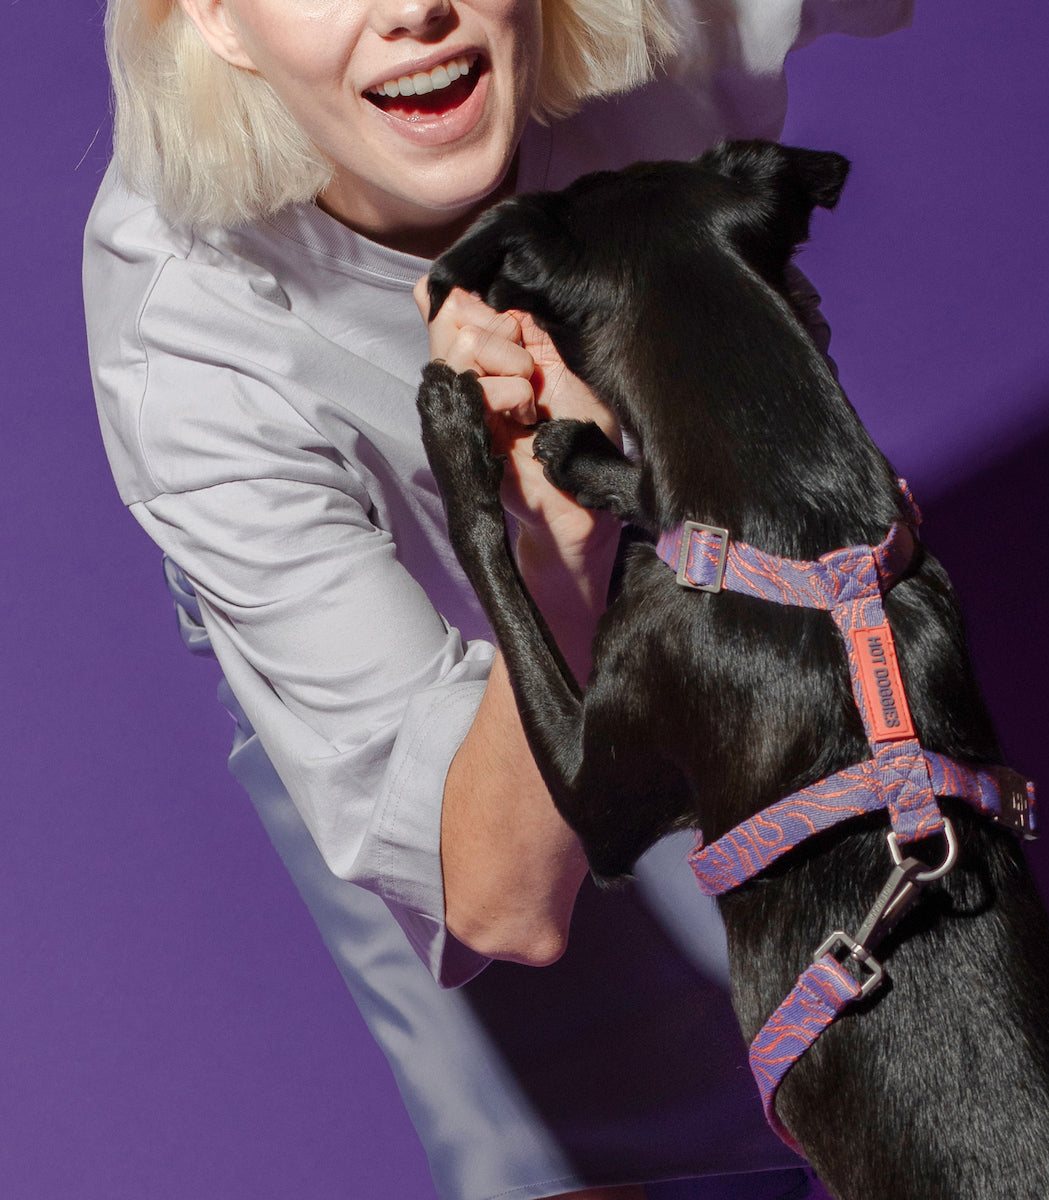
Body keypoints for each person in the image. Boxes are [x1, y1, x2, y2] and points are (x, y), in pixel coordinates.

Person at [84, 2, 912, 1197]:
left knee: (900, 1045)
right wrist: (550, 555)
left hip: (704, 558)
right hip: (445, 666)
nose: (412, 6)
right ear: (216, 16)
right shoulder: (196, 349)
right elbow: (493, 899)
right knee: (562, 1125)